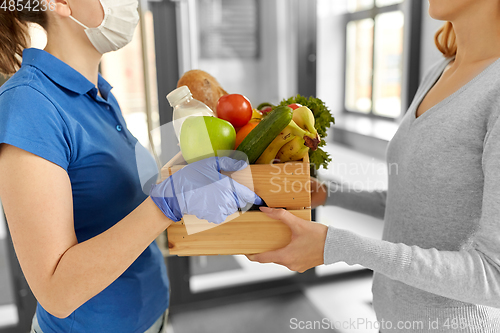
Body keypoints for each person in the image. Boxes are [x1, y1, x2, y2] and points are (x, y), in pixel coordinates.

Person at [0, 1, 260, 332]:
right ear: (60, 4)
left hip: (152, 316)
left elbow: (122, 211)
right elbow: (56, 292)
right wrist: (168, 203)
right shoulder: (28, 103)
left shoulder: (101, 93)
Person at [248, 1, 500, 332]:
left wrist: (337, 246)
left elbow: (492, 277)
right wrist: (329, 194)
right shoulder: (440, 72)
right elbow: (409, 203)